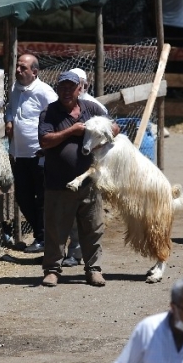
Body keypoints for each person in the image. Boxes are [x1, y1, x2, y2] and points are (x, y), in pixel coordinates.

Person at [38, 70, 116, 287]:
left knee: (93, 227)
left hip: (90, 181)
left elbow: (115, 127)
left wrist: (101, 137)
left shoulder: (91, 108)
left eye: (71, 87)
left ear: (79, 89)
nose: (66, 91)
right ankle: (52, 270)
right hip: (58, 182)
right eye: (62, 87)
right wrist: (71, 131)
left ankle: (93, 269)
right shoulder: (49, 112)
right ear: (57, 89)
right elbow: (45, 140)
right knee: (55, 229)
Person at [5, 54, 57, 254]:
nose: (18, 70)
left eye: (23, 68)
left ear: (34, 72)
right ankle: (43, 234)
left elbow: (55, 115)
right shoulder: (15, 89)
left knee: (42, 197)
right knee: (22, 196)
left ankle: (43, 238)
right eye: (17, 67)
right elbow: (10, 109)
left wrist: (49, 144)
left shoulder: (44, 91)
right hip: (20, 153)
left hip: (39, 153)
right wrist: (9, 119)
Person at [62, 67, 106, 267]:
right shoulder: (59, 106)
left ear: (84, 86)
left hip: (91, 169)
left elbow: (111, 130)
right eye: (67, 84)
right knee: (68, 215)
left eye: (76, 84)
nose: (70, 89)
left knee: (90, 217)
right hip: (66, 172)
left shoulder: (94, 107)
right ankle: (68, 253)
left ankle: (84, 257)